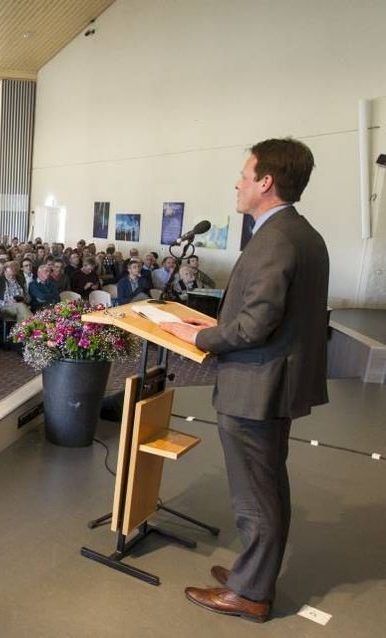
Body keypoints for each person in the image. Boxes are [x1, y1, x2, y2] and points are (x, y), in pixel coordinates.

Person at [160, 138, 329, 623]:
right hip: (276, 381)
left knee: (255, 494)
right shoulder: (302, 233)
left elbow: (256, 324)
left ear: (266, 182)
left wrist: (202, 337)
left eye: (244, 173)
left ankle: (251, 593)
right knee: (268, 485)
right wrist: (206, 325)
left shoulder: (275, 239)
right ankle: (251, 575)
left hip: (257, 386)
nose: (237, 182)